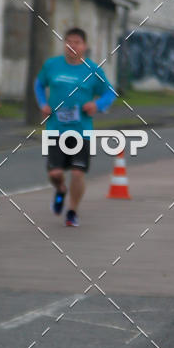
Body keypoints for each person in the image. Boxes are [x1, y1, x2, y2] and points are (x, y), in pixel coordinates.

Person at [34, 28, 116, 226]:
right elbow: (38, 84)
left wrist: (97, 105)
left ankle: (72, 211)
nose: (72, 46)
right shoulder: (52, 65)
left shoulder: (93, 70)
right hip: (55, 129)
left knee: (78, 173)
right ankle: (61, 189)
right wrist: (42, 104)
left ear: (85, 46)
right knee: (55, 174)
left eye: (77, 42)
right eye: (69, 41)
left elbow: (109, 92)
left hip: (81, 131)